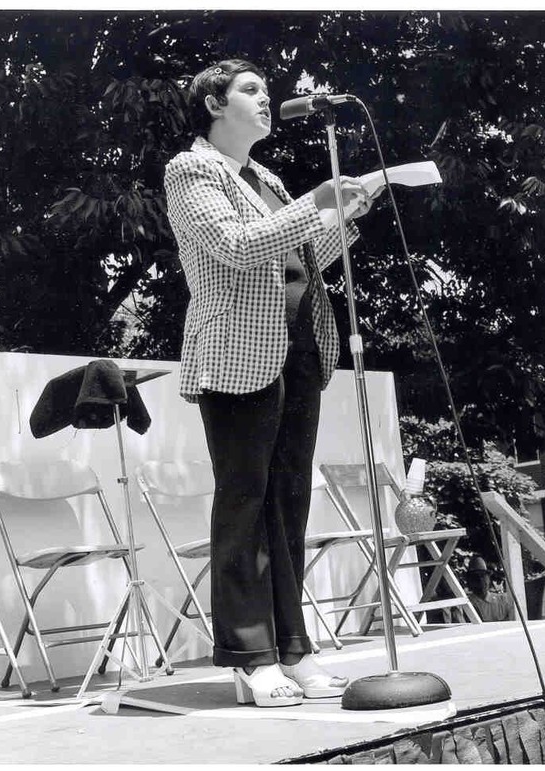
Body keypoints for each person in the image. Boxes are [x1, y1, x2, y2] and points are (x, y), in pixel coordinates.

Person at [164, 59, 381, 708]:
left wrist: (344, 215)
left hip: (296, 351)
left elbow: (303, 257)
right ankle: (250, 654)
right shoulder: (191, 170)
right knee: (245, 503)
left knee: (288, 503)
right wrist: (318, 204)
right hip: (235, 354)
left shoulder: (267, 177)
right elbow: (236, 246)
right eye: (251, 90)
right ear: (212, 103)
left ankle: (294, 647)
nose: (267, 100)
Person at [465, 556, 515, 622]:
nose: (480, 580)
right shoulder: (467, 604)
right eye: (476, 577)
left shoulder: (503, 601)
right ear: (470, 581)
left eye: (483, 576)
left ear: (488, 578)